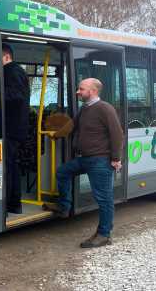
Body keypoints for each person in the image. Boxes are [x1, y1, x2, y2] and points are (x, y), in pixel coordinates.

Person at [43, 78, 123, 248]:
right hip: (85, 159)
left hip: (100, 160)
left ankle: (104, 234)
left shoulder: (105, 108)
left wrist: (116, 158)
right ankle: (64, 207)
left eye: (81, 89)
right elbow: (72, 125)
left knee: (104, 199)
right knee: (63, 172)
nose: (78, 92)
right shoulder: (85, 108)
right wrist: (55, 135)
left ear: (93, 91)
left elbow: (117, 134)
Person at [2, 44, 30, 214]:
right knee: (10, 165)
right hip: (13, 127)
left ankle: (12, 203)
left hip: (11, 128)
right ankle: (13, 204)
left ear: (6, 56)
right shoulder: (13, 71)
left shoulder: (12, 71)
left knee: (9, 166)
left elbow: (16, 96)